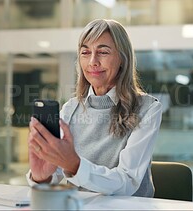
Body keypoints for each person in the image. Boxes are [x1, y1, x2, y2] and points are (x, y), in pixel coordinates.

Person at [26, 19, 162, 197]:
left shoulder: (148, 109)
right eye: (85, 52)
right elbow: (57, 172)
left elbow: (128, 183)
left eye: (103, 52)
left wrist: (75, 166)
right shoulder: (71, 108)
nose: (92, 61)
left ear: (122, 58)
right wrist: (41, 177)